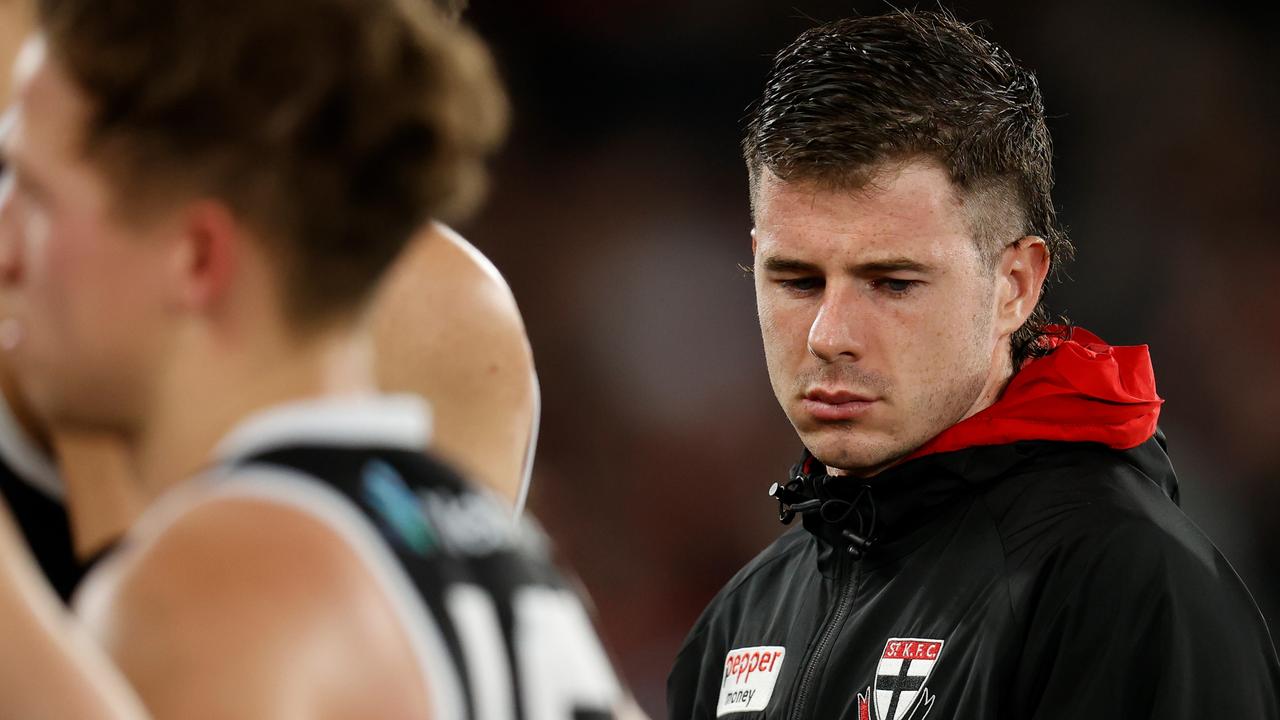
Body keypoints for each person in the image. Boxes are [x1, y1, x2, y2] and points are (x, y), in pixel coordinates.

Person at [0, 0, 624, 717]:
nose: (8, 250)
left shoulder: (220, 587)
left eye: (38, 200)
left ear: (200, 254)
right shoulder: (515, 567)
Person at [668, 11, 1279, 719]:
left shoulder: (1123, 587)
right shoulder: (739, 623)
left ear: (1015, 284)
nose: (829, 335)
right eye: (797, 281)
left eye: (893, 283)